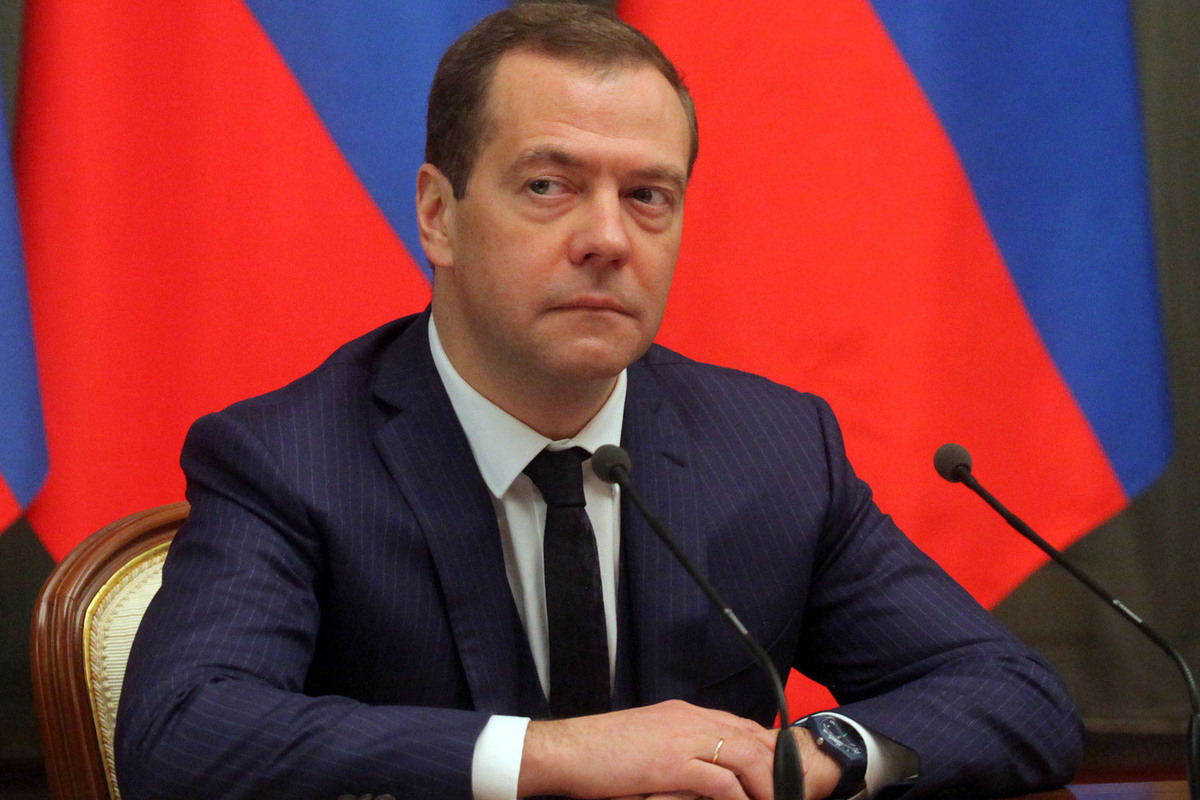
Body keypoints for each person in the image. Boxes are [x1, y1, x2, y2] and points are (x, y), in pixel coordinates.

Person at [115, 5, 1083, 800]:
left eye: (649, 195)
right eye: (549, 185)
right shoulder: (289, 458)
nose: (608, 239)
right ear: (439, 216)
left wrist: (810, 755)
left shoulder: (777, 449)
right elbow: (183, 733)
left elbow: (1014, 694)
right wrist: (556, 755)